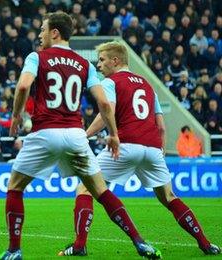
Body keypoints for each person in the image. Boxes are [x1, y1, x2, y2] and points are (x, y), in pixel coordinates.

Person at [0, 12, 160, 259]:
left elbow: (23, 86)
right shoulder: (84, 64)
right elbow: (103, 101)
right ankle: (140, 242)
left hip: (45, 134)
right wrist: (113, 133)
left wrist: (17, 115)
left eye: (42, 30)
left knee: (15, 187)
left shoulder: (36, 57)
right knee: (101, 192)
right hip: (75, 135)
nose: (39, 35)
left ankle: (14, 250)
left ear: (55, 33)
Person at [61, 41, 220, 256]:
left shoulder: (111, 82)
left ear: (115, 60)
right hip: (153, 149)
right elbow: (161, 126)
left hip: (125, 145)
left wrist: (85, 134)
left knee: (85, 188)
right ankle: (205, 243)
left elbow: (107, 111)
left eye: (102, 60)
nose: (99, 65)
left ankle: (79, 245)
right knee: (169, 197)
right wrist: (160, 150)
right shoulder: (147, 85)